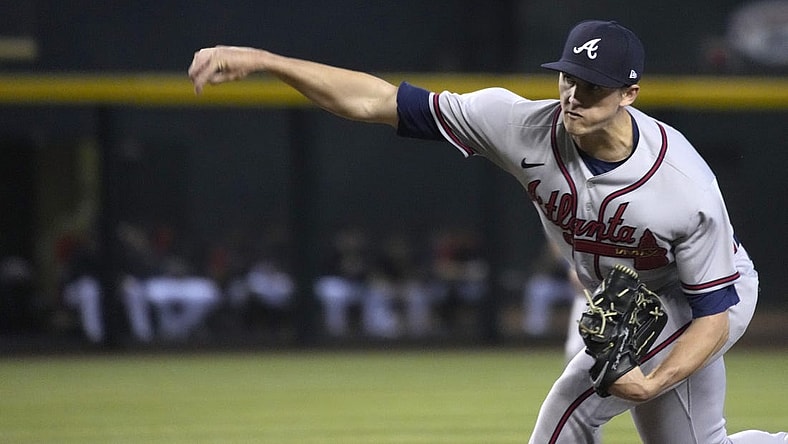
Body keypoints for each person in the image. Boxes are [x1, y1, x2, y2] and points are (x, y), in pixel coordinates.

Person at [188, 19, 786, 443]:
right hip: (628, 297)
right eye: (568, 78)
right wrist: (268, 62)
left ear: (630, 93)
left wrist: (652, 380)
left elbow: (713, 314)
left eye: (594, 87)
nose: (574, 96)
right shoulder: (518, 123)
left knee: (568, 413)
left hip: (700, 296)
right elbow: (375, 101)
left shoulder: (684, 187)